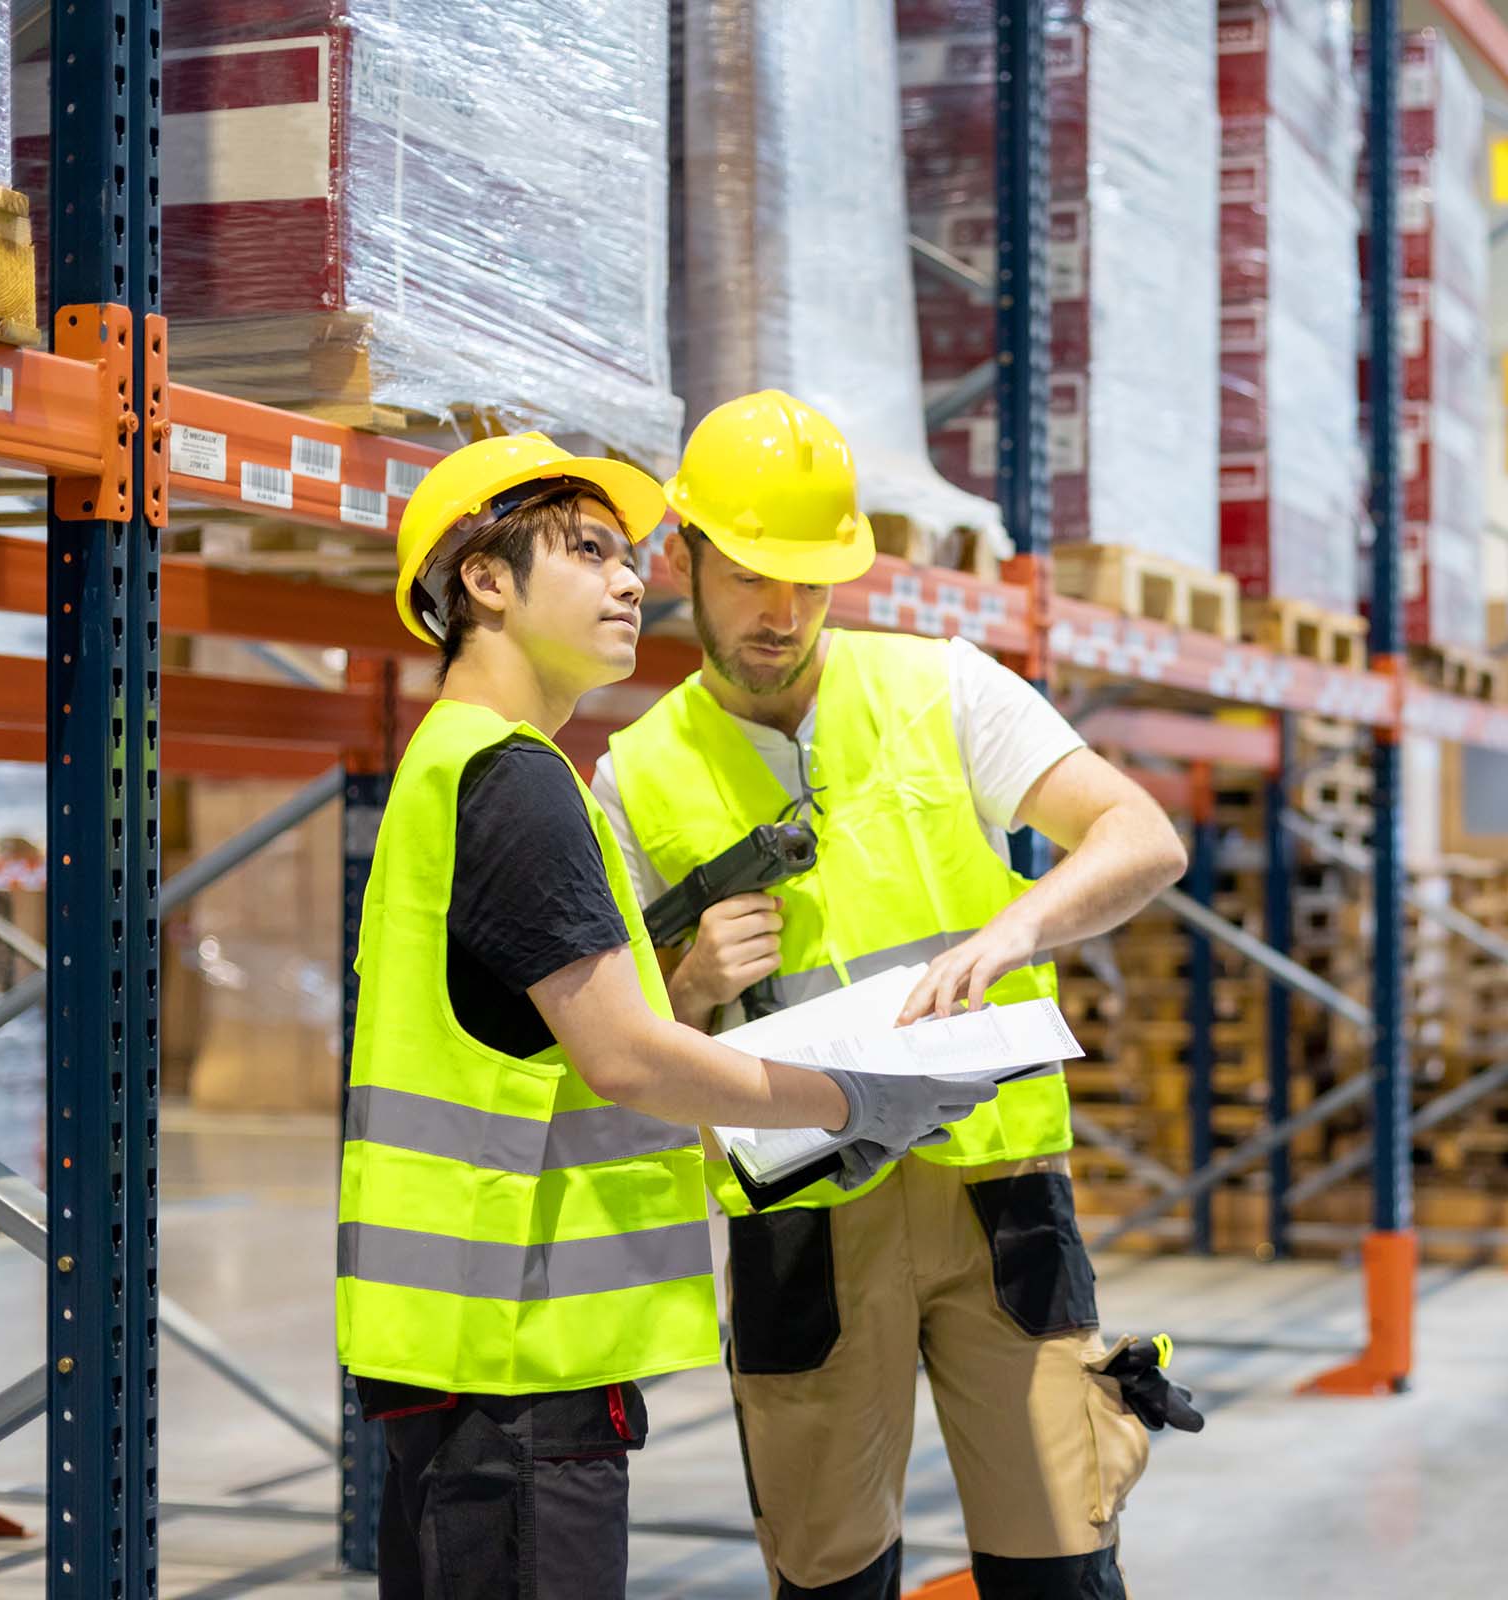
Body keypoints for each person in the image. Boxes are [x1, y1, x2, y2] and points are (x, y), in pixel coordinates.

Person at [338, 432, 997, 1599]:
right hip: (520, 1361)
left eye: (632, 556)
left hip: (471, 1360)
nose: (634, 580)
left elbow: (543, 1047)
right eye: (590, 552)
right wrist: (859, 1099)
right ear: (485, 581)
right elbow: (629, 1058)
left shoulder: (455, 765)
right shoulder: (519, 782)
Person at [592, 391, 1192, 1599]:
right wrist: (692, 976)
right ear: (685, 558)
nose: (783, 613)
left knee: (1063, 1566)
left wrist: (1016, 926)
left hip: (997, 1194)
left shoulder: (944, 687)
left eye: (811, 579)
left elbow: (1143, 836)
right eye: (755, 575)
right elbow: (614, 1037)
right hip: (799, 1218)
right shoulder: (633, 773)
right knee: (830, 1577)